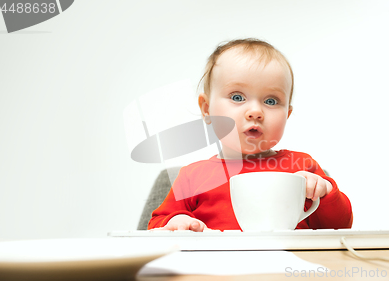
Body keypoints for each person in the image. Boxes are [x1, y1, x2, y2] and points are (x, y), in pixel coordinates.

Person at [148, 38, 353, 231]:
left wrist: (325, 192)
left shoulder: (303, 166)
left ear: (287, 114)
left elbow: (341, 227)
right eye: (237, 97)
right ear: (207, 109)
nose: (255, 111)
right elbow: (156, 224)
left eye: (271, 101)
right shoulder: (191, 177)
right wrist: (176, 222)